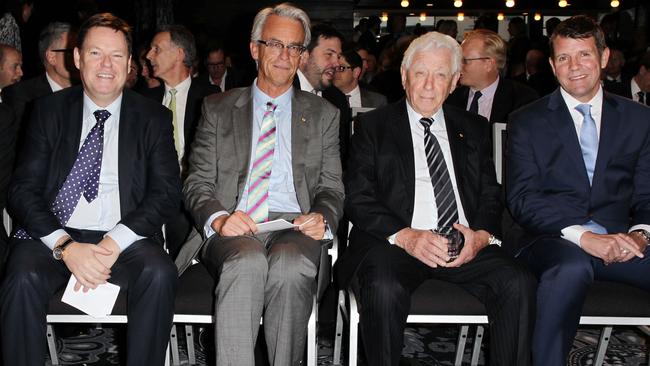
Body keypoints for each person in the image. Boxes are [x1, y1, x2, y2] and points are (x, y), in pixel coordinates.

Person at [337, 31, 535, 366]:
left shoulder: (472, 126)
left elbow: (490, 192)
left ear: (455, 80)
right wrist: (408, 237)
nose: (429, 85)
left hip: (463, 244)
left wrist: (481, 237)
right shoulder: (373, 126)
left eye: (440, 74)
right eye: (420, 73)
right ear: (404, 76)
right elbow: (358, 195)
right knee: (383, 287)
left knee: (518, 282)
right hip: (397, 243)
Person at [0, 13, 181, 366]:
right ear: (78, 58)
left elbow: (166, 193)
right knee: (21, 276)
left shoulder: (152, 117)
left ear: (130, 64)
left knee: (159, 273)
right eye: (96, 53)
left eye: (117, 56)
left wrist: (112, 243)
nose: (106, 65)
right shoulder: (47, 111)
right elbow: (22, 189)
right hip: (55, 234)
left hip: (124, 237)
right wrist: (66, 246)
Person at [175, 3, 344, 366]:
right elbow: (197, 183)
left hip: (294, 225)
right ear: (255, 49)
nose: (285, 56)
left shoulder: (323, 115)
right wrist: (219, 218)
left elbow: (331, 186)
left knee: (291, 265)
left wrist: (322, 215)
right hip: (233, 224)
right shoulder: (217, 108)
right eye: (275, 44)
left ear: (302, 56)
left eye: (295, 47)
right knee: (247, 262)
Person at [507, 15, 650, 365]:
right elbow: (523, 199)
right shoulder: (527, 120)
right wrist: (585, 237)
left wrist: (641, 235)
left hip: (621, 241)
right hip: (551, 239)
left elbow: (648, 195)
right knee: (569, 268)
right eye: (564, 58)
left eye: (584, 55)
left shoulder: (639, 118)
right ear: (552, 65)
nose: (575, 67)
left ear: (603, 57)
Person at [144, 24, 216, 258]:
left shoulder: (213, 99)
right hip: (152, 193)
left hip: (195, 193)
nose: (148, 55)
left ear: (179, 54)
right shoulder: (144, 102)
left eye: (156, 49)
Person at [446, 29, 538, 124]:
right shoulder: (450, 99)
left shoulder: (522, 99)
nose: (458, 66)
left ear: (488, 64)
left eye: (464, 61)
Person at [1, 22, 77, 126]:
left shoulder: (89, 91)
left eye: (81, 51)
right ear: (52, 57)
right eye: (71, 52)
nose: (79, 57)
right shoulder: (22, 97)